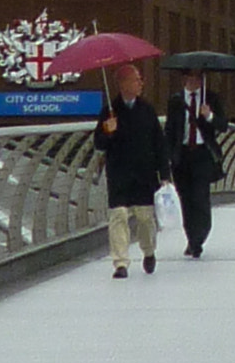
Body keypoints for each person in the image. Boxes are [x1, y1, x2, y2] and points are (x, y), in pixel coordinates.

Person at [94, 62, 170, 278]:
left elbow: (159, 144)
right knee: (118, 216)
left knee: (145, 218)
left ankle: (148, 251)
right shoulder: (109, 112)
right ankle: (120, 262)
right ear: (123, 83)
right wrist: (108, 132)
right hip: (119, 174)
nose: (140, 84)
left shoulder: (147, 110)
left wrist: (164, 174)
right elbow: (98, 143)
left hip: (144, 174)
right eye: (136, 80)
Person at [164, 69, 227, 257]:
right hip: (182, 155)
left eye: (198, 78)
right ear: (184, 79)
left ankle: (199, 237)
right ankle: (191, 238)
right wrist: (167, 156)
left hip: (202, 154)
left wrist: (209, 116)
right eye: (191, 78)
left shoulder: (211, 99)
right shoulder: (175, 101)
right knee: (186, 199)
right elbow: (170, 130)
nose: (195, 81)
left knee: (200, 198)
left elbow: (223, 125)